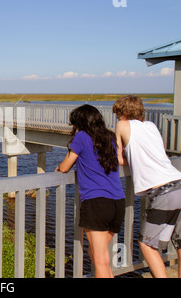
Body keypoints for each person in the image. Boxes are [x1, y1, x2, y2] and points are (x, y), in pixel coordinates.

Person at [113, 95, 181, 278]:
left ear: (123, 112)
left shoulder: (122, 125)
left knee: (147, 245)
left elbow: (118, 158)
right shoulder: (151, 126)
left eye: (118, 114)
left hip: (164, 191)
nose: (117, 118)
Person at [56, 104, 125, 278]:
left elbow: (65, 167)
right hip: (117, 201)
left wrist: (58, 168)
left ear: (80, 122)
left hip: (96, 202)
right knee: (96, 254)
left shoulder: (81, 136)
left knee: (100, 258)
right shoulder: (109, 137)